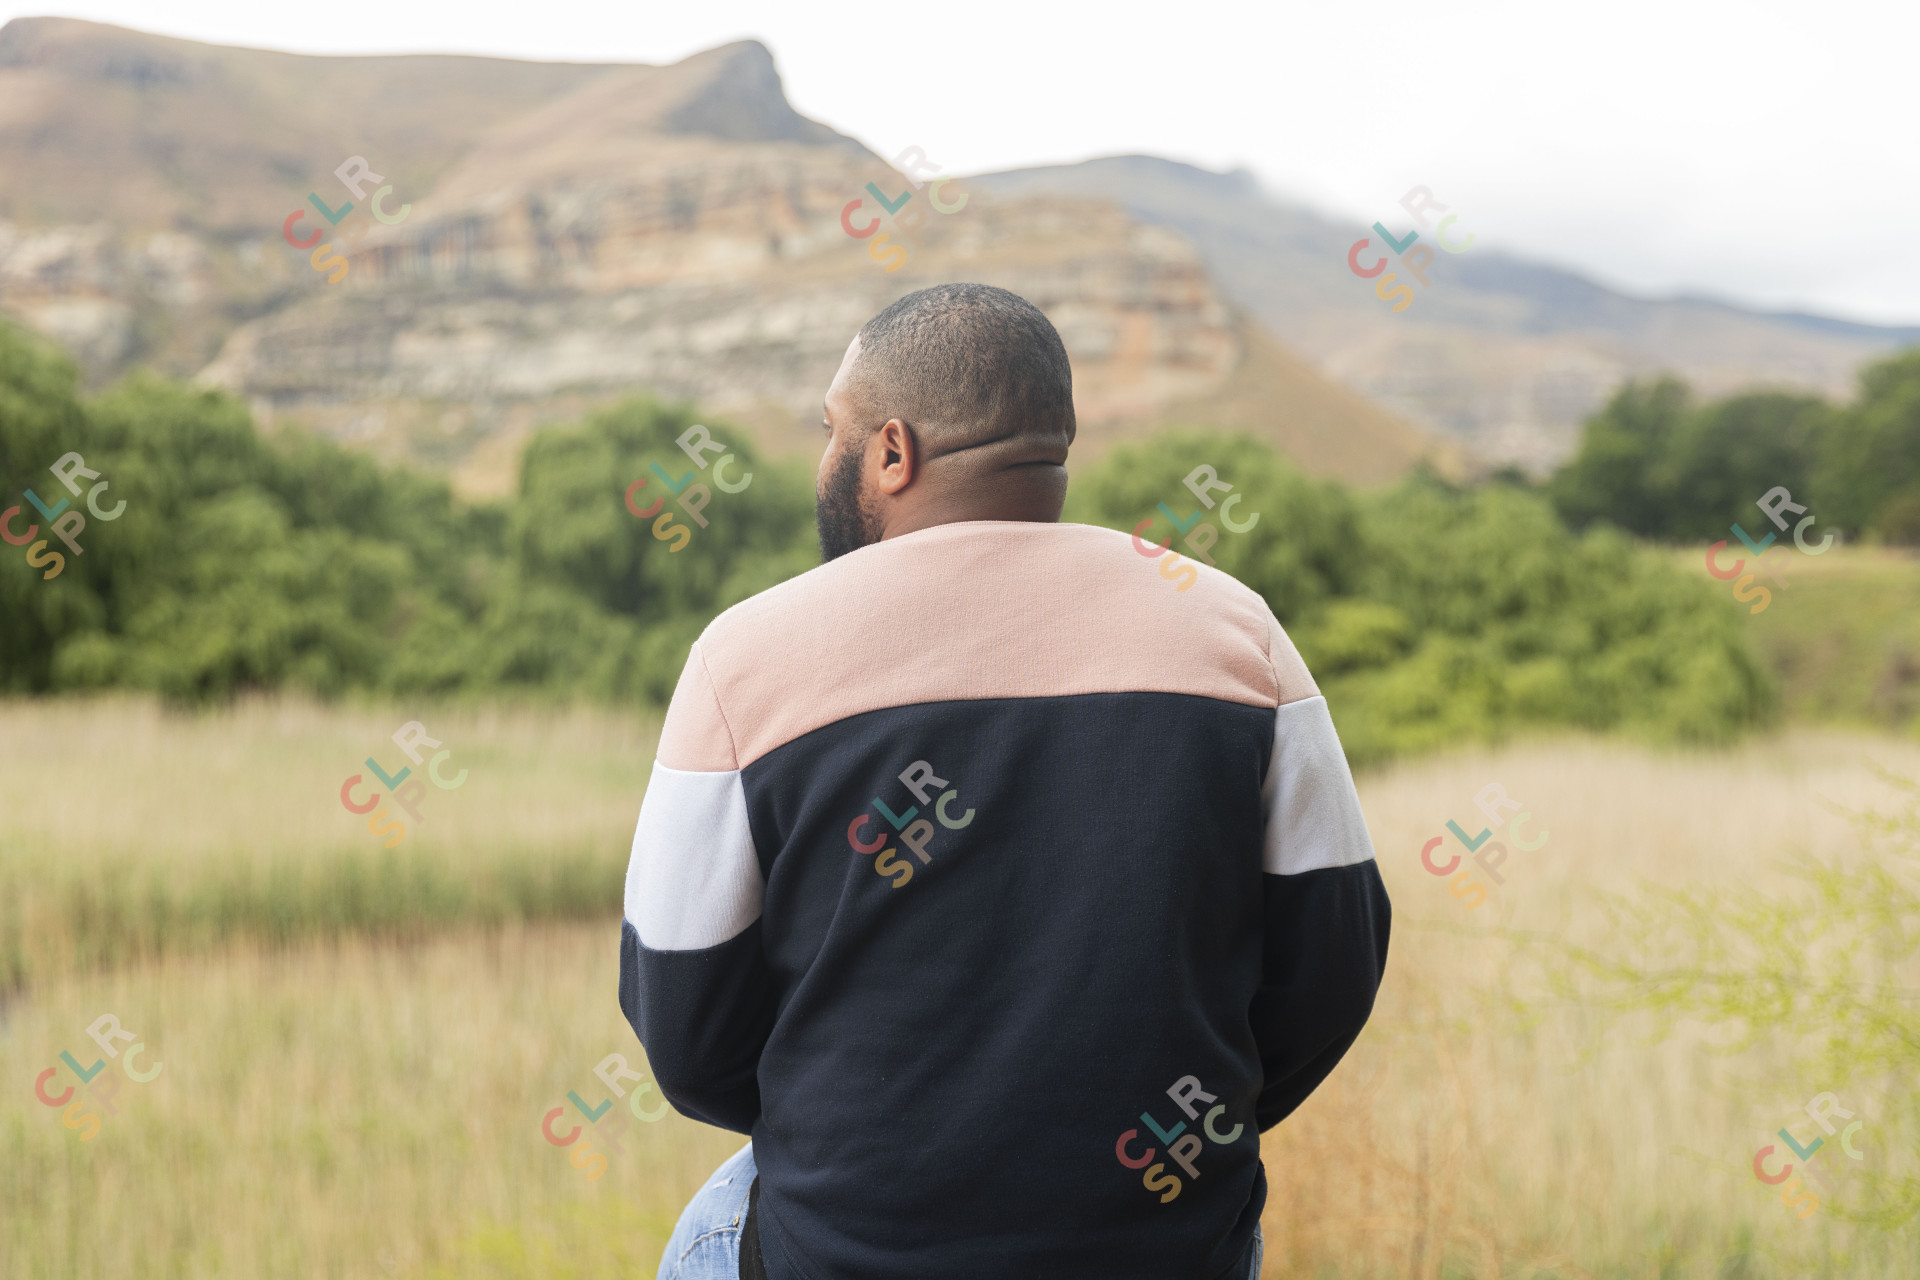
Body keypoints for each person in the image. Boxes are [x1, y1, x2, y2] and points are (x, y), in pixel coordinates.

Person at [621, 282, 1391, 1280]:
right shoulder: (1239, 633)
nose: (825, 458)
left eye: (831, 430)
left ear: (891, 452)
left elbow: (685, 1030)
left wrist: (852, 1139)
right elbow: (1335, 968)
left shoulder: (743, 658)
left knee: (711, 1219)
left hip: (845, 1248)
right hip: (1167, 1247)